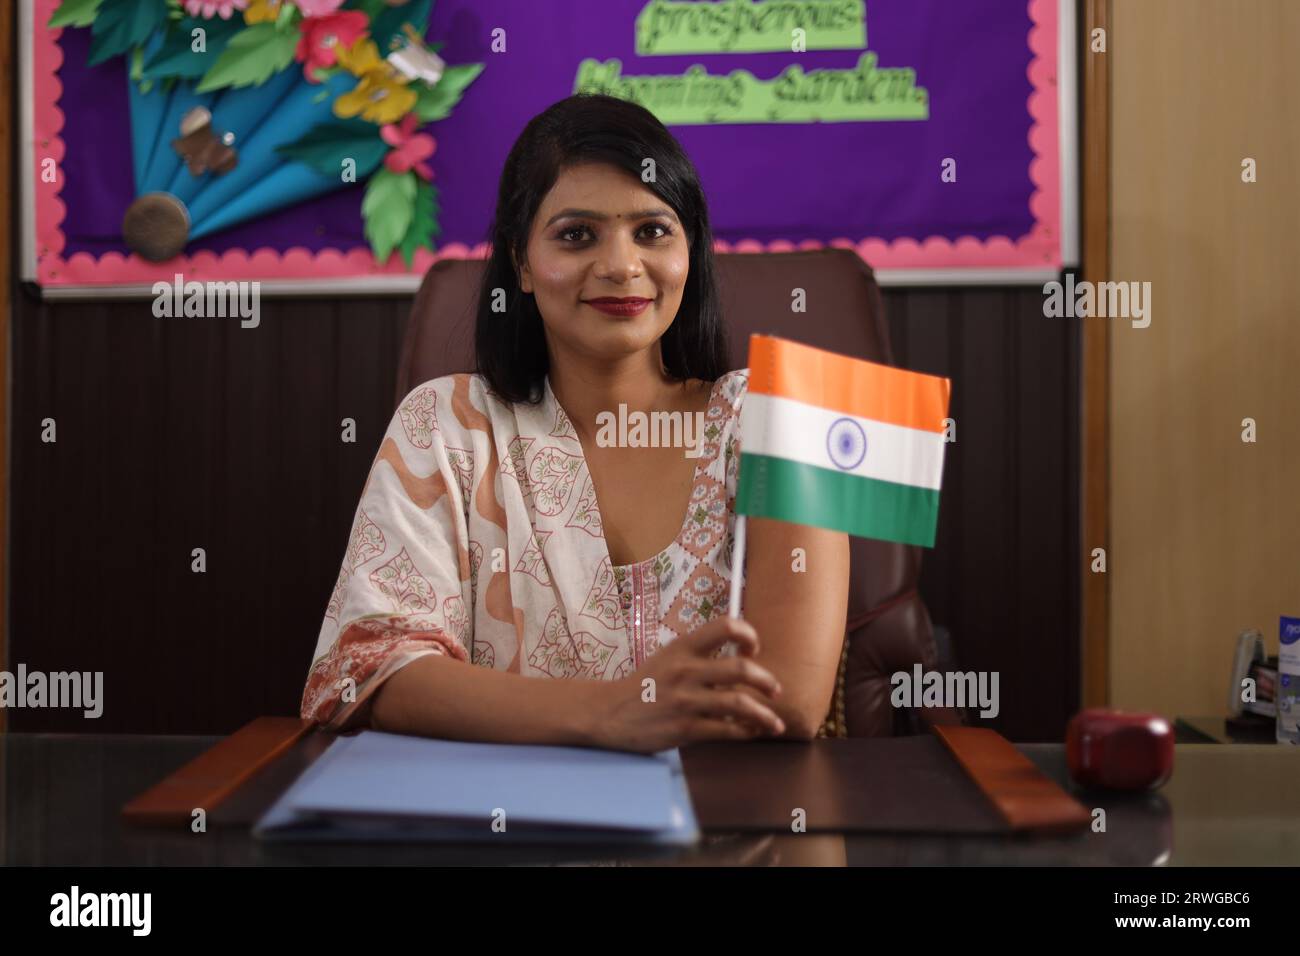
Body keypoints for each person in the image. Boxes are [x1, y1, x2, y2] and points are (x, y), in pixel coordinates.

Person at [301, 93, 849, 752]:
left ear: (690, 252)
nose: (621, 266)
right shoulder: (446, 425)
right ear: (522, 264)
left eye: (652, 231)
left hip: (729, 831)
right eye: (576, 234)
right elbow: (374, 671)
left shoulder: (779, 420)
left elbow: (789, 698)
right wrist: (610, 713)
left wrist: (609, 714)